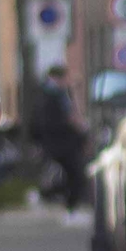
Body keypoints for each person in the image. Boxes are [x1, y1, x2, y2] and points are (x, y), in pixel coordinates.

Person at [28, 63, 90, 212]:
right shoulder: (56, 94)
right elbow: (70, 116)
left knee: (68, 174)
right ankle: (59, 200)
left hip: (54, 141)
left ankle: (55, 198)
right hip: (61, 142)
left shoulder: (45, 92)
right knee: (75, 174)